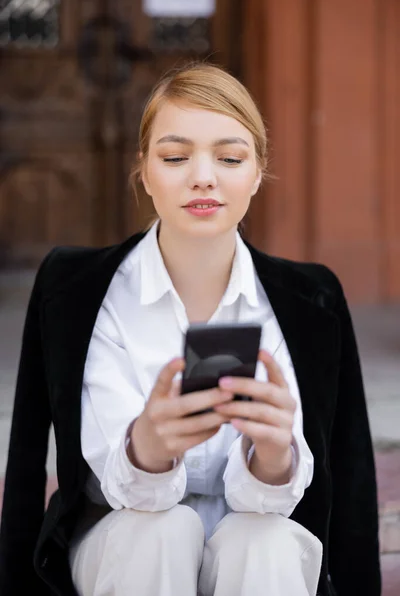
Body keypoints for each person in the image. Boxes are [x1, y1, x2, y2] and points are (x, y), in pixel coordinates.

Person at [0, 62, 380, 596]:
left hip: (260, 550)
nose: (203, 176)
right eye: (175, 157)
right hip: (123, 543)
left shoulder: (308, 299)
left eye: (229, 157)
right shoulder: (80, 288)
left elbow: (353, 476)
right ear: (145, 171)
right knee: (160, 528)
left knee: (262, 538)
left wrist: (274, 460)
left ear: (257, 172)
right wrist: (147, 449)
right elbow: (40, 472)